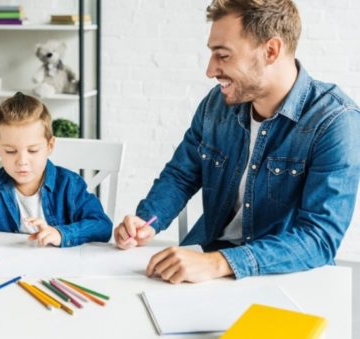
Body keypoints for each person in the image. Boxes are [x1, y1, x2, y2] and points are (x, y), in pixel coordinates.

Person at [114, 0, 360, 283]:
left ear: (271, 51)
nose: (210, 70)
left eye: (223, 55)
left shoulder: (336, 122)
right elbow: (181, 175)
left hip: (282, 275)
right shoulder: (216, 106)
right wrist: (147, 222)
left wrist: (220, 262)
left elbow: (319, 238)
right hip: (206, 260)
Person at [0, 92, 112, 262]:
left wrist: (61, 234)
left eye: (33, 150)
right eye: (10, 151)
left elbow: (101, 225)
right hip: (9, 269)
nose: (22, 161)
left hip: (59, 269)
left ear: (50, 145)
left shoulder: (69, 185)